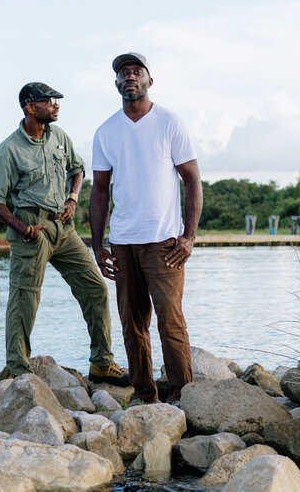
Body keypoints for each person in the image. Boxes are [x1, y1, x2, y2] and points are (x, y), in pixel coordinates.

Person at [0, 82, 129, 386]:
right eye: (49, 101)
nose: (56, 105)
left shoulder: (59, 136)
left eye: (56, 101)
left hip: (63, 228)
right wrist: (22, 228)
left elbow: (77, 170)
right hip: (32, 230)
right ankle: (19, 372)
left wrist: (73, 198)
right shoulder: (10, 149)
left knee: (95, 288)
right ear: (29, 106)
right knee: (25, 299)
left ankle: (102, 363)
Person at [89, 53, 203, 405]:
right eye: (123, 74)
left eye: (137, 72)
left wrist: (189, 237)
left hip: (164, 243)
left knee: (171, 323)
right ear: (116, 84)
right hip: (123, 244)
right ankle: (144, 395)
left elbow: (192, 179)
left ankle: (182, 398)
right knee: (132, 326)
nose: (130, 77)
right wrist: (97, 245)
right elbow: (100, 190)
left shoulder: (170, 123)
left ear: (149, 81)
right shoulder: (106, 131)